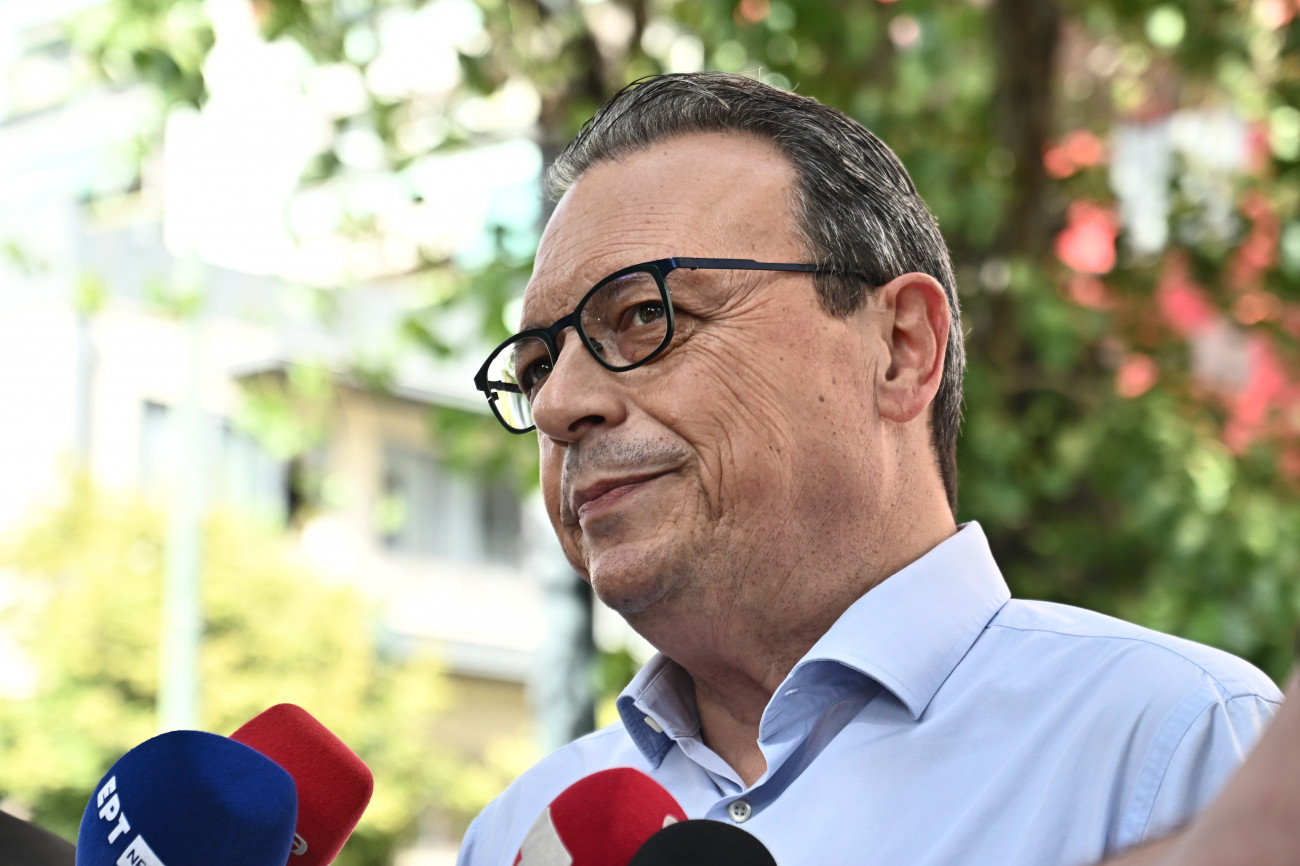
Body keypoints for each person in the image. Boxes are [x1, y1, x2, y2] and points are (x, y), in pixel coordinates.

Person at [461, 72, 1282, 865]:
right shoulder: (515, 836)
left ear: (900, 348)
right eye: (535, 369)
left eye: (646, 314)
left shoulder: (1172, 744)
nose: (559, 404)